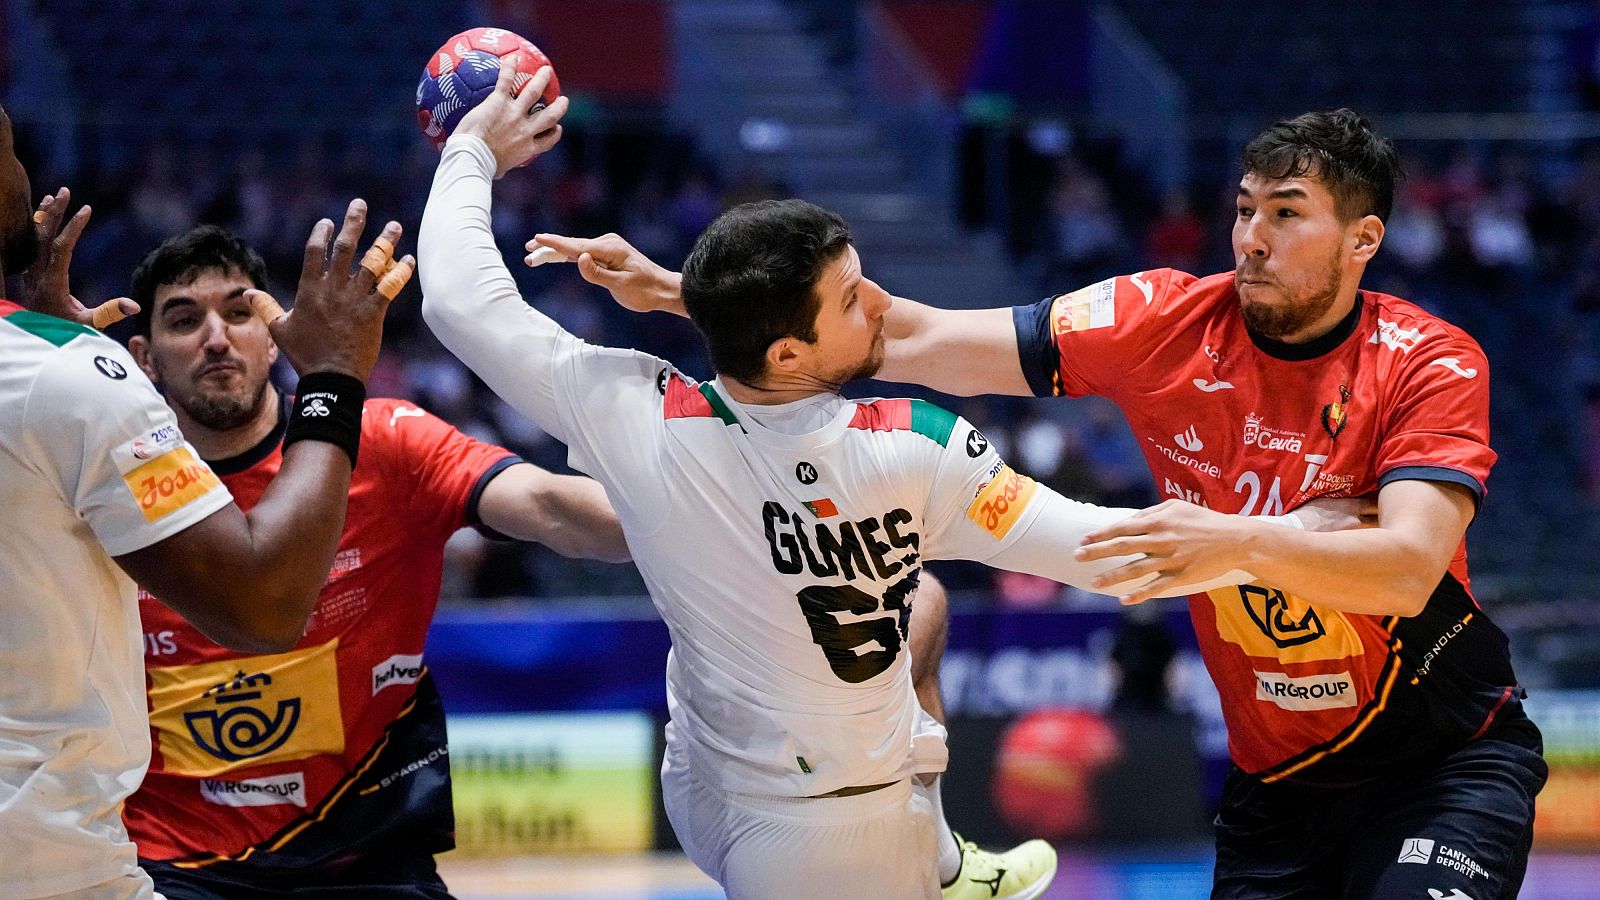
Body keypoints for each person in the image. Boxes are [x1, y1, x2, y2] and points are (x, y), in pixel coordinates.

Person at [538, 108, 1546, 900]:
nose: (1250, 235)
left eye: (1286, 213)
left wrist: (1234, 537)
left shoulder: (1428, 361)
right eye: (1243, 207)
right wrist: (695, 295)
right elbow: (917, 337)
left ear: (1362, 237)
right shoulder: (1162, 319)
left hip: (1439, 757)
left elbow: (1409, 565)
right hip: (1276, 785)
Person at [417, 65, 1354, 900]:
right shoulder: (916, 447)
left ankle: (946, 857)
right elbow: (1108, 557)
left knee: (924, 606)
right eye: (853, 297)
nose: (881, 306)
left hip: (701, 771)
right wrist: (1293, 538)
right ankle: (933, 868)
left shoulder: (640, 414)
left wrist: (470, 149)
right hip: (831, 845)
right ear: (790, 350)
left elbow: (460, 298)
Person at [107, 226, 630, 898]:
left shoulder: (387, 441)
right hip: (171, 872)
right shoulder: (110, 485)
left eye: (240, 313)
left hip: (368, 864)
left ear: (274, 334)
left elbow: (555, 508)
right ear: (145, 357)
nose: (216, 338)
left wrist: (689, 510)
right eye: (185, 320)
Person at [0, 101, 402, 900]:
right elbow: (262, 604)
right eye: (9, 148)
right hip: (43, 865)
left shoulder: (49, 377)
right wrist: (330, 379)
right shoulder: (66, 375)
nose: (23, 171)